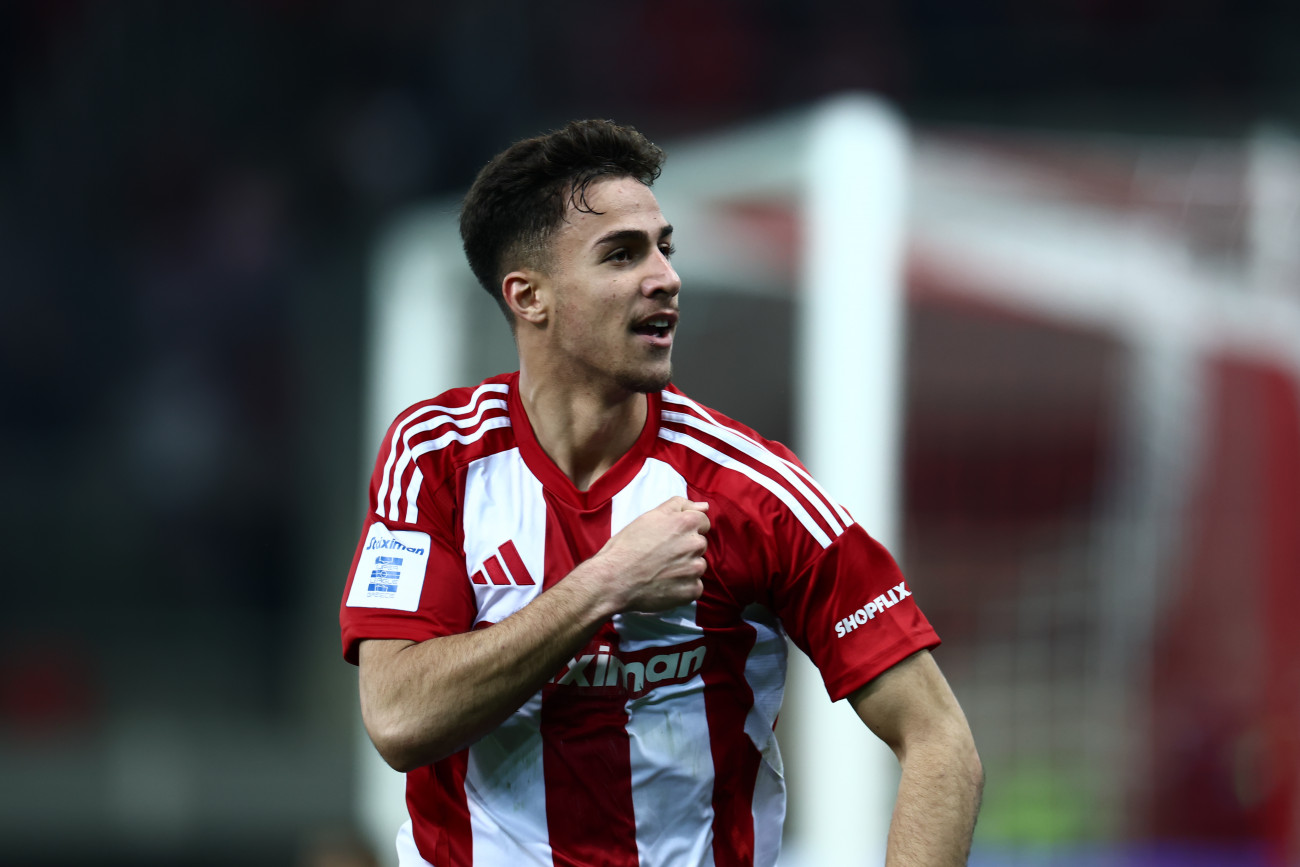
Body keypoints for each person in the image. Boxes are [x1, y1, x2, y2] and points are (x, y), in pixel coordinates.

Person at [339, 118, 983, 867]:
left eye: (664, 248)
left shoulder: (753, 492)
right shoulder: (437, 457)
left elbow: (939, 740)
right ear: (529, 296)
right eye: (622, 254)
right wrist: (606, 583)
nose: (665, 277)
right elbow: (399, 718)